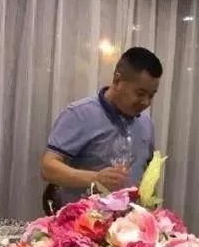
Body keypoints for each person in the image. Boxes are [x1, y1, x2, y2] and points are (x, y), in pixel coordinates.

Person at [41, 47, 162, 205]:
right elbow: (48, 168)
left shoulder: (146, 124)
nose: (146, 102)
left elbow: (147, 173)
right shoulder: (79, 114)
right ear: (117, 80)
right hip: (82, 217)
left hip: (130, 218)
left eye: (151, 95)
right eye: (140, 94)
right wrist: (95, 178)